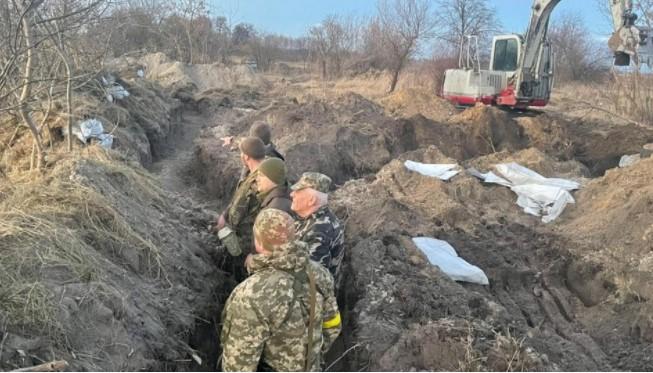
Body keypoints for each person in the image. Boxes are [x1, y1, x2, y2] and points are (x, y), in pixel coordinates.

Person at [220, 209, 342, 372]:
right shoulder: (320, 274)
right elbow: (333, 325)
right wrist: (310, 358)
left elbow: (238, 365)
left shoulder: (251, 293)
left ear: (259, 242)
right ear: (294, 236)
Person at [216, 137, 266, 281]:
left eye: (241, 153)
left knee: (240, 274)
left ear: (246, 156)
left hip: (247, 241)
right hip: (254, 239)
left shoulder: (256, 182)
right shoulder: (259, 171)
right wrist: (225, 214)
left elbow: (236, 213)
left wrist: (225, 224)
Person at [290, 172, 345, 288]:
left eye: (297, 192)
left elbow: (310, 278)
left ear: (311, 200)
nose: (291, 194)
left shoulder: (319, 232)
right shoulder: (310, 219)